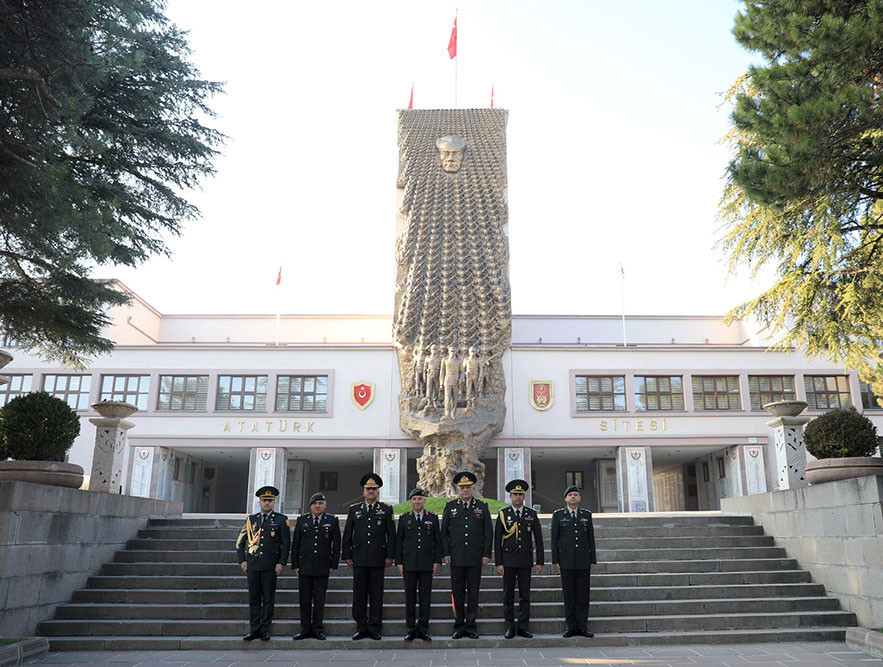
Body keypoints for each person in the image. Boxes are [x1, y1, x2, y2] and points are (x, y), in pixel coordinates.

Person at [342, 473, 396, 640]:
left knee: (376, 593)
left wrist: (390, 556)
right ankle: (361, 625)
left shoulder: (386, 509)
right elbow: (348, 534)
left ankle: (374, 626)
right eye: (368, 489)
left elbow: (391, 535)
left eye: (374, 489)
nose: (371, 491)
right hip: (358, 557)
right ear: (364, 491)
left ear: (378, 491)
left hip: (378, 558)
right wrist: (347, 554)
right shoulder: (354, 509)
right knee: (359, 594)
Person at [440, 470, 493, 639]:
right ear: (457, 489)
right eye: (462, 487)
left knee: (473, 592)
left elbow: (488, 533)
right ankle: (458, 625)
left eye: (468, 487)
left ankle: (471, 626)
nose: (465, 490)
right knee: (457, 592)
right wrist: (446, 553)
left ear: (473, 489)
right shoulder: (450, 507)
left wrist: (486, 554)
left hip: (475, 557)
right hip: (455, 558)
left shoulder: (482, 507)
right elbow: (444, 534)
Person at [235, 485, 290, 641]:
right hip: (252, 566)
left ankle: (265, 629)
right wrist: (242, 561)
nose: (267, 503)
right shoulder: (251, 520)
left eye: (270, 501)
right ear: (259, 501)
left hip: (270, 566)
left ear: (274, 502)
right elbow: (240, 543)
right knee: (254, 599)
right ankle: (254, 630)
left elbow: (286, 544)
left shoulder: (281, 520)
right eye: (264, 500)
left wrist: (281, 563)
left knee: (268, 599)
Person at [494, 479, 544, 639]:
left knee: (525, 595)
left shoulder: (531, 514)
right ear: (510, 496)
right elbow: (497, 541)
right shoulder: (503, 514)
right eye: (515, 494)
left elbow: (539, 539)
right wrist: (499, 562)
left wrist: (540, 561)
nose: (517, 497)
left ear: (524, 497)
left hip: (525, 560)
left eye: (520, 494)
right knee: (508, 594)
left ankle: (523, 626)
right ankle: (509, 626)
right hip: (508, 561)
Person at [291, 492, 341, 641]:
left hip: (322, 566)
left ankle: (318, 628)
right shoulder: (302, 521)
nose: (317, 506)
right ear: (310, 506)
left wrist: (333, 565)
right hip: (304, 566)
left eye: (320, 503)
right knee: (304, 599)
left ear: (325, 505)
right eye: (315, 504)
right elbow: (296, 545)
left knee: (319, 599)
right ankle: (305, 628)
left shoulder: (332, 521)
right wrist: (295, 565)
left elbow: (336, 545)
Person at [395, 487, 441, 641]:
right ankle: (411, 627)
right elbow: (398, 542)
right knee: (410, 597)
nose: (417, 501)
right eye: (414, 499)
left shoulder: (432, 518)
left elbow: (438, 542)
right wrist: (399, 562)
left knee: (425, 597)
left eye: (420, 499)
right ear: (410, 501)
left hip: (427, 563)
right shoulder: (404, 519)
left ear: (424, 501)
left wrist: (436, 561)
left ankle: (423, 627)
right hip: (409, 564)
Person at [551, 485, 597, 638]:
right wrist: (555, 560)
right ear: (565, 498)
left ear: (579, 498)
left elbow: (591, 538)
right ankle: (571, 626)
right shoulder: (558, 516)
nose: (573, 497)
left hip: (583, 560)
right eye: (570, 494)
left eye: (575, 494)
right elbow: (554, 540)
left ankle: (582, 626)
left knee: (583, 595)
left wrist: (592, 559)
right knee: (569, 595)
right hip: (566, 561)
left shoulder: (586, 515)